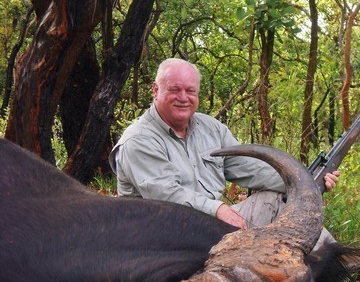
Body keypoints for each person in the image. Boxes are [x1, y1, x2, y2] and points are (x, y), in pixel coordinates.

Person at [109, 58, 340, 231]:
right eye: (174, 90)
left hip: (206, 226)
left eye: (190, 91)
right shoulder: (138, 140)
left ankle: (328, 264)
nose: (183, 97)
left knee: (276, 199)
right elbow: (167, 196)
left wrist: (305, 181)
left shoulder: (211, 128)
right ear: (156, 90)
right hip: (160, 235)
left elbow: (251, 169)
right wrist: (217, 209)